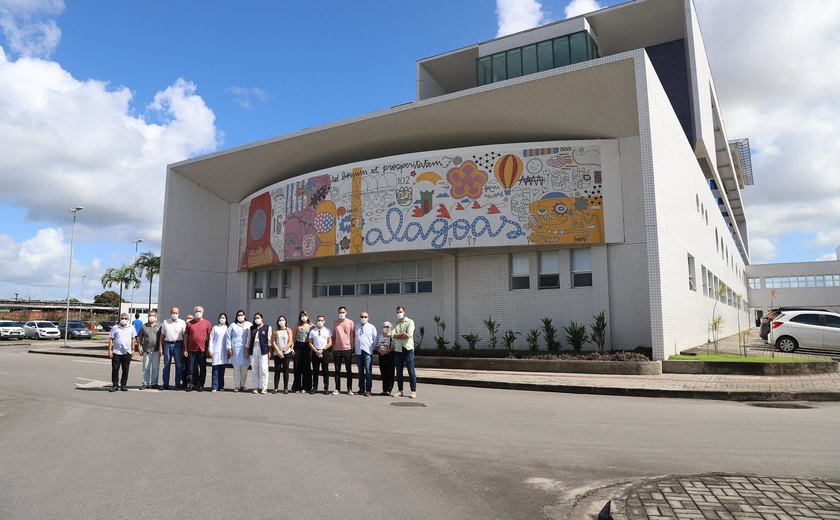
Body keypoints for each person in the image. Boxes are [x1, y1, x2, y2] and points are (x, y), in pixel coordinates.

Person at [184, 306, 212, 392]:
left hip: (202, 350)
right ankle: (191, 384)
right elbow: (185, 336)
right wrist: (185, 349)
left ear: (202, 312)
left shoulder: (207, 323)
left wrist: (208, 349)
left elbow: (210, 337)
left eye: (199, 311)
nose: (198, 312)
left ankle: (200, 384)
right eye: (196, 311)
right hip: (191, 349)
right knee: (191, 368)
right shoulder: (190, 323)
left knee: (202, 368)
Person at [392, 305, 417, 399]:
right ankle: (400, 390)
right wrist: (402, 334)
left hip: (408, 349)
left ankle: (413, 391)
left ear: (404, 312)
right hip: (398, 349)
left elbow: (409, 334)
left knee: (411, 371)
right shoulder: (396, 323)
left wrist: (398, 335)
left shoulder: (410, 322)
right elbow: (392, 335)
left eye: (400, 312)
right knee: (399, 371)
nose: (399, 314)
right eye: (397, 312)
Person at [108, 312, 137, 392]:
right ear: (120, 319)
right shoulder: (115, 327)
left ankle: (123, 385)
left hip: (127, 352)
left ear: (128, 320)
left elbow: (133, 339)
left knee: (125, 369)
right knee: (115, 370)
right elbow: (111, 339)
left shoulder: (131, 327)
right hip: (116, 352)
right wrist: (110, 350)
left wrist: (133, 349)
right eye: (122, 318)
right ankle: (115, 385)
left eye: (125, 318)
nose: (124, 320)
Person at [160, 306, 186, 390]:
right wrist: (161, 347)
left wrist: (185, 348)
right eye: (173, 312)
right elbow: (162, 335)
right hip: (167, 344)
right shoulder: (165, 322)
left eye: (176, 313)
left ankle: (177, 384)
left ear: (179, 313)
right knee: (167, 365)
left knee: (179, 366)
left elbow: (184, 336)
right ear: (170, 313)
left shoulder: (182, 322)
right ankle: (165, 384)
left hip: (178, 344)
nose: (174, 314)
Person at [225, 310, 251, 392]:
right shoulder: (233, 325)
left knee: (244, 369)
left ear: (244, 315)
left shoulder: (249, 324)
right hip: (236, 349)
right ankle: (236, 386)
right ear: (236, 316)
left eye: (242, 315)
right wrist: (229, 348)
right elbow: (228, 337)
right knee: (236, 368)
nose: (240, 316)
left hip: (246, 349)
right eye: (239, 315)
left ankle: (243, 385)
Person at [331, 306, 355, 395]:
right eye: (340, 312)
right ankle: (337, 388)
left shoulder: (350, 322)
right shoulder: (335, 323)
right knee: (337, 370)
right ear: (338, 313)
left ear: (346, 312)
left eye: (343, 312)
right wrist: (333, 347)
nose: (341, 314)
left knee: (349, 370)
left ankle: (349, 389)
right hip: (337, 349)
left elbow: (352, 335)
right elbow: (333, 336)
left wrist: (352, 347)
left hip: (347, 349)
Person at [247, 312, 271, 394]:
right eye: (255, 318)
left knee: (263, 369)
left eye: (258, 318)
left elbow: (269, 341)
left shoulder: (267, 328)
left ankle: (264, 387)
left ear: (262, 318)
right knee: (254, 369)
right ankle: (255, 387)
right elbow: (249, 340)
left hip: (263, 350)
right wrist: (247, 350)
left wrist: (270, 351)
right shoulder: (252, 328)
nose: (257, 319)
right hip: (254, 349)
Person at [137, 310, 162, 390]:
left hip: (156, 350)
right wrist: (139, 347)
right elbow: (140, 337)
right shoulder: (144, 326)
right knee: (146, 367)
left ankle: (154, 383)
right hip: (147, 350)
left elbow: (162, 338)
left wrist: (162, 348)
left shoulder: (160, 326)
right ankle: (145, 383)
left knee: (155, 367)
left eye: (153, 315)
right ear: (148, 317)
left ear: (155, 316)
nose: (151, 317)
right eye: (149, 316)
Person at [354, 311, 377, 397]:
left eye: (365, 317)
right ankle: (361, 388)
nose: (363, 318)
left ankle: (368, 389)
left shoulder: (371, 327)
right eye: (362, 317)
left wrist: (372, 349)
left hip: (367, 351)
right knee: (360, 371)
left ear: (368, 317)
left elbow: (375, 339)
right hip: (358, 351)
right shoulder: (356, 326)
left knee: (368, 371)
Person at [308, 315, 332, 395]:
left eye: (321, 320)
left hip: (324, 351)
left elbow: (330, 342)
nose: (320, 322)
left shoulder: (328, 330)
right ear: (316, 321)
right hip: (315, 352)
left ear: (324, 321)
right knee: (315, 371)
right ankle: (314, 387)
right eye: (318, 320)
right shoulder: (313, 331)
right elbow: (310, 343)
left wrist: (322, 350)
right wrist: (316, 351)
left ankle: (326, 388)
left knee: (325, 371)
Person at [291, 311, 313, 394]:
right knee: (297, 366)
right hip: (298, 346)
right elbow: (293, 337)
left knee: (306, 367)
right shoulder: (297, 325)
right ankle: (297, 386)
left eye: (305, 315)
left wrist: (311, 350)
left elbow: (312, 339)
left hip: (307, 346)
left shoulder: (311, 326)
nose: (303, 317)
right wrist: (292, 348)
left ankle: (305, 386)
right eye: (302, 315)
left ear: (308, 316)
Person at [271, 314, 294, 394]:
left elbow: (290, 341)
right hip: (277, 353)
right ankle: (276, 388)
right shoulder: (276, 331)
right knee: (277, 370)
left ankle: (285, 388)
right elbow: (273, 342)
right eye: (280, 320)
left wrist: (284, 351)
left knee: (286, 370)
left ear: (285, 321)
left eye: (283, 320)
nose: (281, 321)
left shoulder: (288, 330)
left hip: (286, 353)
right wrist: (278, 351)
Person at [209, 313, 229, 392]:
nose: (222, 319)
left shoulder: (228, 328)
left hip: (224, 351)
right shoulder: (215, 328)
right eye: (221, 317)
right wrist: (210, 350)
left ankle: (221, 386)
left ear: (226, 319)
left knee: (222, 370)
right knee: (215, 370)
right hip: (216, 351)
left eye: (223, 317)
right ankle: (214, 386)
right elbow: (211, 339)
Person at [375, 321, 395, 396]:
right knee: (383, 373)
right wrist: (380, 351)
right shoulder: (379, 337)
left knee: (390, 373)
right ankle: (384, 389)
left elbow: (393, 346)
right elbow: (377, 345)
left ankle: (389, 389)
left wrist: (387, 351)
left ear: (390, 328)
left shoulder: (392, 337)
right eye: (385, 327)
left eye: (388, 327)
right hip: (381, 356)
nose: (386, 328)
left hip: (389, 356)